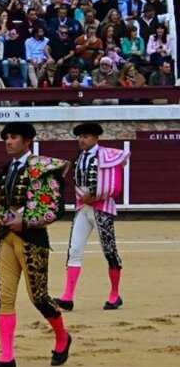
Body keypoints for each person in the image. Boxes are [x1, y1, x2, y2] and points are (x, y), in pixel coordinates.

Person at [0, 122, 72, 367]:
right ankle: (7, 356)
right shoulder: (4, 171)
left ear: (27, 141)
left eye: (13, 137)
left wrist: (28, 220)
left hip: (33, 240)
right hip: (7, 240)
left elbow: (55, 208)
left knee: (39, 298)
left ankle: (63, 338)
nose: (8, 142)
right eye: (6, 138)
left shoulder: (43, 169)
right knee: (5, 297)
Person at [59, 122, 130, 311]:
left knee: (109, 251)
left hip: (102, 207)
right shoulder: (79, 157)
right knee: (74, 249)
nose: (82, 140)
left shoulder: (107, 155)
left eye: (86, 136)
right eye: (80, 136)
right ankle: (68, 296)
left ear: (96, 138)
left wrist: (95, 194)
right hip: (83, 208)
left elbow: (114, 185)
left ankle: (115, 294)